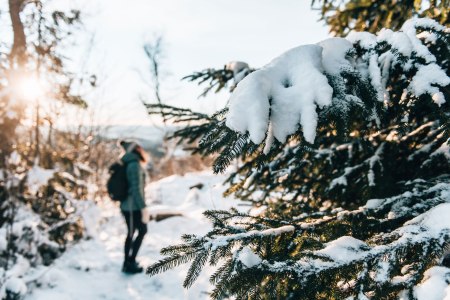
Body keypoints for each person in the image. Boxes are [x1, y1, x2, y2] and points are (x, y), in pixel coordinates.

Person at [119, 140, 149, 274]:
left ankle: (129, 261)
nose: (141, 148)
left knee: (134, 233)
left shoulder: (130, 163)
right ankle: (128, 263)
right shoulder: (134, 165)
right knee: (137, 232)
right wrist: (143, 208)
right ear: (134, 149)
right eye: (138, 147)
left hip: (130, 206)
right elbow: (136, 189)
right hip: (132, 207)